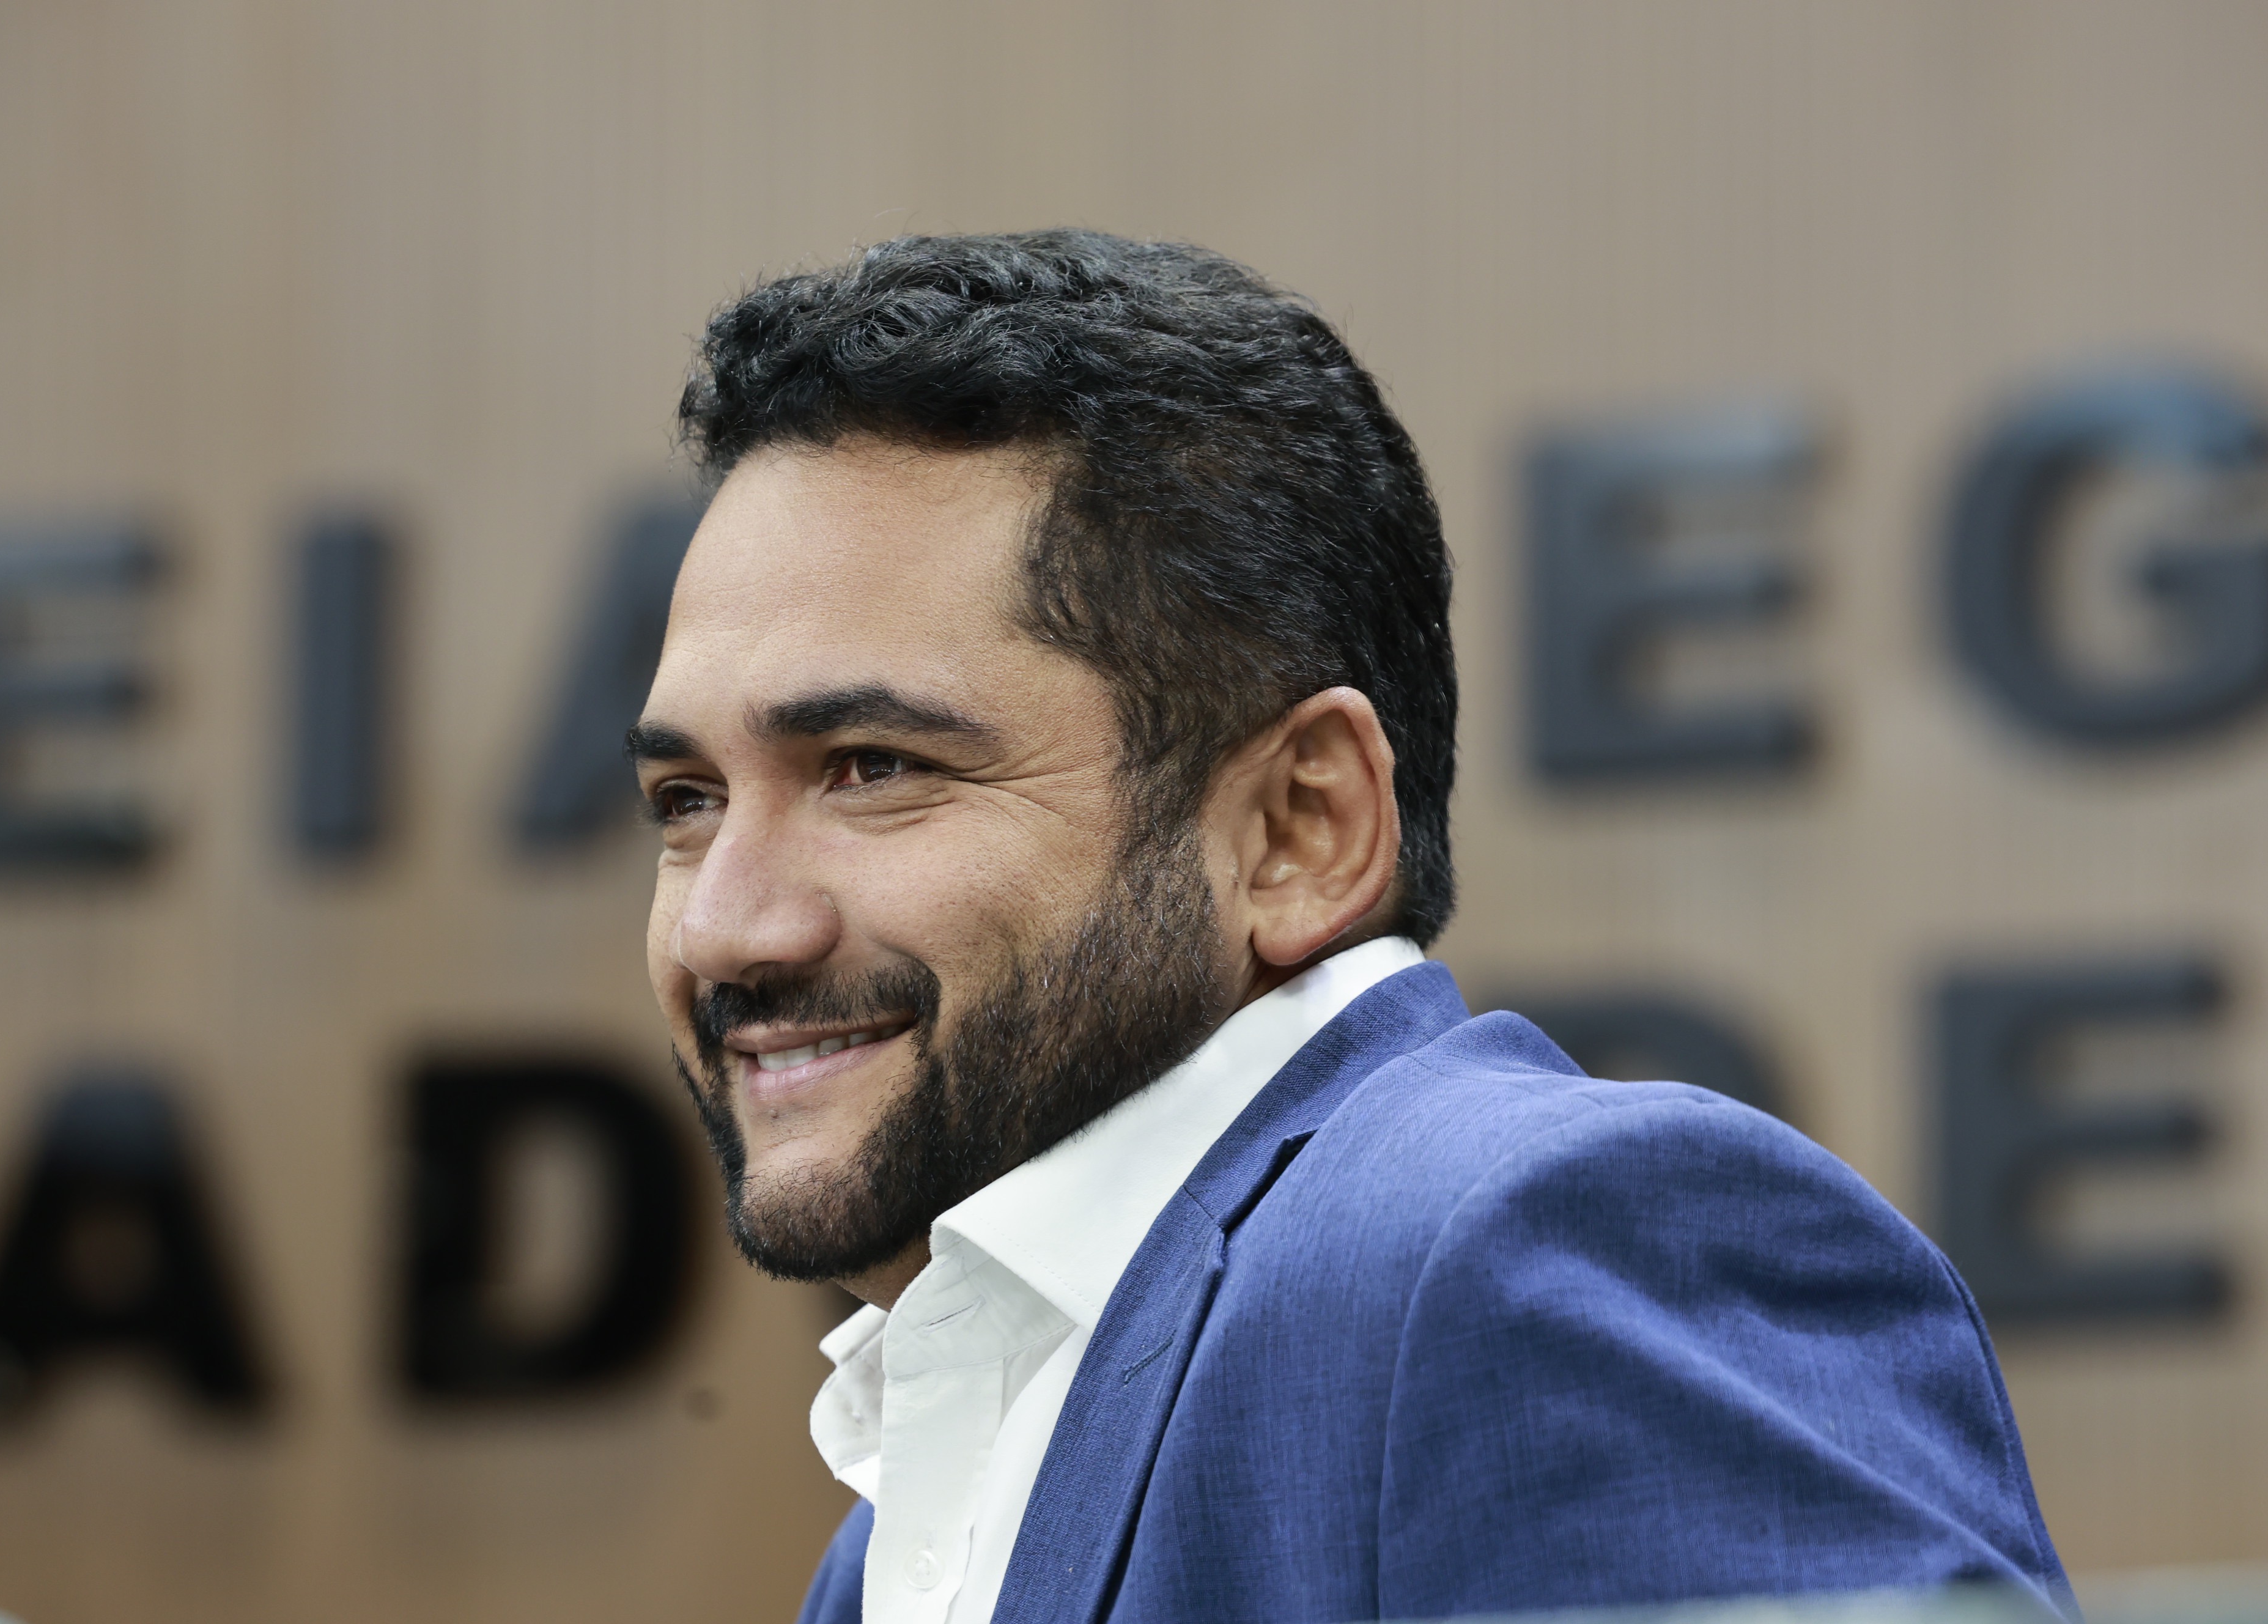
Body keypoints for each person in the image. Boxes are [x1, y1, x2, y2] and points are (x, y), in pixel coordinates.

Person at [630, 231, 2071, 1624]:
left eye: (874, 767)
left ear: (1298, 828)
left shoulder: (1530, 1245)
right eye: (686, 800)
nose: (726, 926)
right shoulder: (902, 1534)